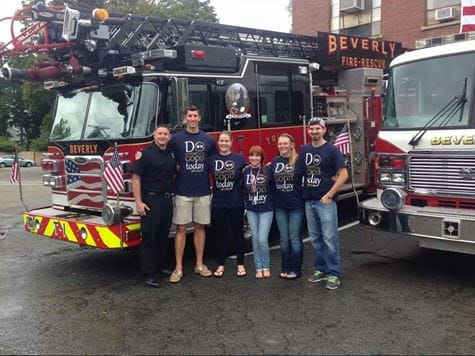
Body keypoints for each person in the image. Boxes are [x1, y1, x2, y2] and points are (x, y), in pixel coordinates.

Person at [294, 117, 348, 290]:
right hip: (309, 200)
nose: (314, 131)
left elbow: (343, 174)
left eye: (318, 128)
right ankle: (321, 269)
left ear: (324, 130)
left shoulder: (332, 150)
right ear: (308, 131)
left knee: (330, 239)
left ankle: (334, 274)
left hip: (325, 202)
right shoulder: (305, 149)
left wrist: (330, 195)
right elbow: (298, 172)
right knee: (316, 239)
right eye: (312, 129)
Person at [168, 105, 217, 283]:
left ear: (199, 118)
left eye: (195, 116)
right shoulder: (176, 139)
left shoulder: (208, 140)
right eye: (189, 116)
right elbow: (167, 157)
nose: (192, 119)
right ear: (185, 119)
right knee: (180, 229)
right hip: (182, 191)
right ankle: (178, 268)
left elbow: (214, 162)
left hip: (203, 191)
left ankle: (199, 265)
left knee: (200, 228)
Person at [131, 125, 176, 288]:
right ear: (154, 136)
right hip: (151, 201)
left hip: (166, 200)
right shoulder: (146, 154)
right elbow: (136, 178)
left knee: (164, 236)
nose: (163, 137)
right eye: (160, 134)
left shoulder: (171, 153)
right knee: (150, 238)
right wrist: (138, 202)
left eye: (165, 134)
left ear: (169, 137)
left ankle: (161, 267)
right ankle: (149, 273)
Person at [209, 131, 247, 277]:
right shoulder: (212, 159)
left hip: (236, 202)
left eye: (226, 141)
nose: (223, 144)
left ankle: (241, 264)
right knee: (220, 235)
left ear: (231, 143)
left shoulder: (239, 159)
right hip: (218, 203)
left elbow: (248, 177)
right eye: (221, 141)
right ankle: (221, 264)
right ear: (218, 143)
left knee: (238, 234)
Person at [269, 133, 304, 280]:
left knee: (294, 237)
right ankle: (285, 267)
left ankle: (296, 269)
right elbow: (269, 182)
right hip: (280, 205)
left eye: (285, 143)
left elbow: (308, 178)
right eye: (280, 144)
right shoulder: (275, 162)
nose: (282, 146)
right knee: (283, 238)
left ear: (291, 145)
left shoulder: (299, 160)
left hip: (296, 205)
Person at [242, 145, 274, 279]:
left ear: (261, 157)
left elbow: (274, 188)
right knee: (255, 239)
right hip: (251, 210)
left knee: (262, 239)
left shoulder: (268, 170)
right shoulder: (245, 171)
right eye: (251, 155)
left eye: (257, 155)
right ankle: (258, 267)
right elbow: (243, 190)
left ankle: (266, 266)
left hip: (266, 209)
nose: (254, 158)